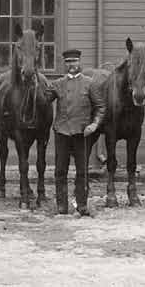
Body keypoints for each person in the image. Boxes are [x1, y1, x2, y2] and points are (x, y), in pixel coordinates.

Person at [43, 49, 105, 216]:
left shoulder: (90, 83)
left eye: (74, 62)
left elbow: (100, 107)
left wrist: (94, 124)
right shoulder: (58, 84)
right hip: (62, 131)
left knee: (82, 171)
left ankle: (82, 204)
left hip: (82, 133)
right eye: (68, 62)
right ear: (65, 64)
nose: (72, 65)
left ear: (79, 62)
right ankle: (62, 206)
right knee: (60, 171)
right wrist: (38, 86)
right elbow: (44, 100)